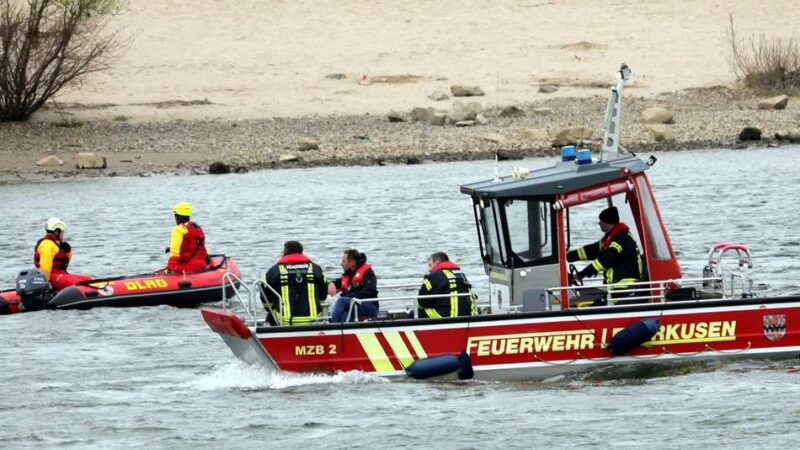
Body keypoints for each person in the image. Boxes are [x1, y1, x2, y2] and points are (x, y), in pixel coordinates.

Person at [567, 206, 646, 295]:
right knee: (584, 295)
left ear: (607, 222)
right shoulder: (610, 238)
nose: (599, 223)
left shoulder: (621, 239)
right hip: (616, 285)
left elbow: (605, 260)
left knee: (587, 298)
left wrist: (582, 274)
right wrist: (568, 256)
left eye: (601, 221)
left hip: (623, 286)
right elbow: (592, 250)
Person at [261, 241, 327, 326]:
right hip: (313, 320)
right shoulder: (315, 269)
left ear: (285, 252)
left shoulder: (274, 271)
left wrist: (272, 307)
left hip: (284, 321)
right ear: (301, 252)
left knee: (270, 315)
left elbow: (265, 297)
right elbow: (323, 295)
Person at [34, 217, 92, 291]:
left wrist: (68, 253)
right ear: (57, 231)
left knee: (87, 279)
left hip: (59, 274)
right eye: (62, 231)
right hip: (50, 277)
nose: (63, 233)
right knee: (78, 284)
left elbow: (62, 264)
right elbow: (45, 268)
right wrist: (46, 286)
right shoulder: (47, 245)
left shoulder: (56, 244)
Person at [417, 252, 475, 319]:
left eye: (430, 265)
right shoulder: (460, 275)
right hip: (469, 314)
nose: (429, 269)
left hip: (449, 316)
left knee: (415, 313)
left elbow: (422, 301)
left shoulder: (434, 276)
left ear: (437, 263)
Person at [328, 249, 378, 322]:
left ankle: (331, 327)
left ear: (352, 262)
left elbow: (369, 291)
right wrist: (331, 284)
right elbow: (336, 282)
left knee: (341, 301)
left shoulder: (368, 273)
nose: (341, 264)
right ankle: (342, 330)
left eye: (344, 261)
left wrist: (348, 298)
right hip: (354, 306)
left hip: (369, 307)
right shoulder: (349, 275)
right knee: (343, 315)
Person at [167, 202, 209, 273]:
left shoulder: (178, 230)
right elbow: (202, 248)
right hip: (201, 265)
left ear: (179, 217)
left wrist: (169, 270)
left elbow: (175, 253)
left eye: (175, 216)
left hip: (185, 267)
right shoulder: (197, 227)